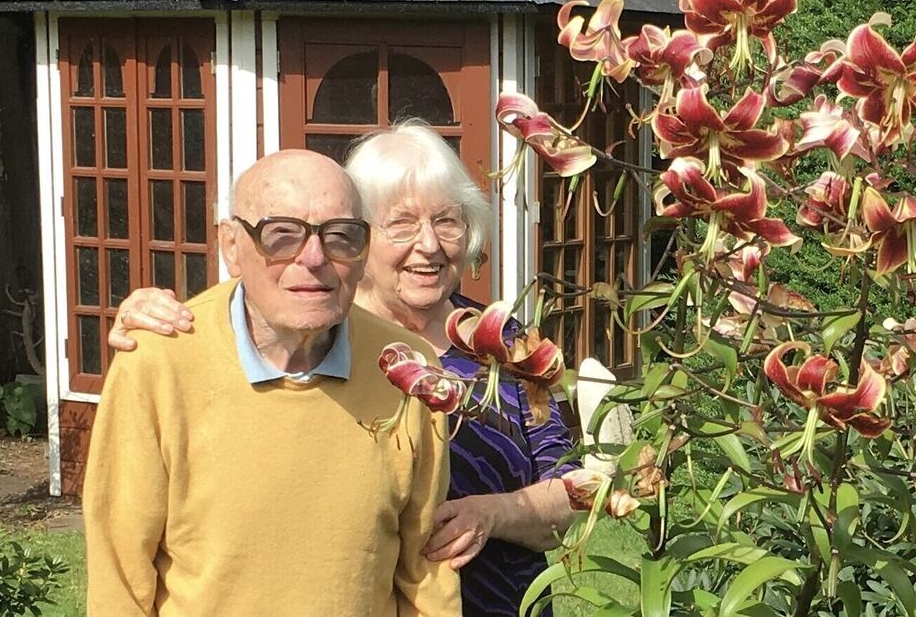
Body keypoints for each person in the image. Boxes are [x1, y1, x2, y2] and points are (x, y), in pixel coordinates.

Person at [108, 122, 579, 617]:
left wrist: (494, 513)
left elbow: (575, 490)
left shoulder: (508, 343)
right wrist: (146, 315)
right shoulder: (315, 336)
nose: (430, 245)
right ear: (358, 238)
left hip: (501, 602)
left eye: (447, 221)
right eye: (401, 223)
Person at [83, 148, 462, 616]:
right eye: (281, 235)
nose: (314, 257)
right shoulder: (159, 362)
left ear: (362, 254)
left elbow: (425, 572)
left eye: (340, 236)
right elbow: (118, 573)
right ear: (231, 246)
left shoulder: (405, 367)